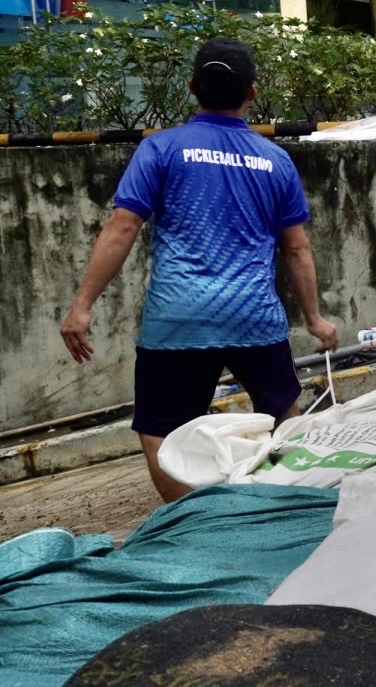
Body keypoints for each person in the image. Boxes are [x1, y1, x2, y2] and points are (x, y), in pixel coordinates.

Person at [60, 38, 339, 501]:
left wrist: (82, 306)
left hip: (179, 318)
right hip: (254, 316)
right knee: (285, 414)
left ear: (192, 87)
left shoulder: (162, 149)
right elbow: (296, 249)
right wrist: (314, 318)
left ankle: (188, 521)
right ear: (251, 93)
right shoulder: (276, 161)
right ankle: (291, 505)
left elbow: (122, 226)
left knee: (160, 428)